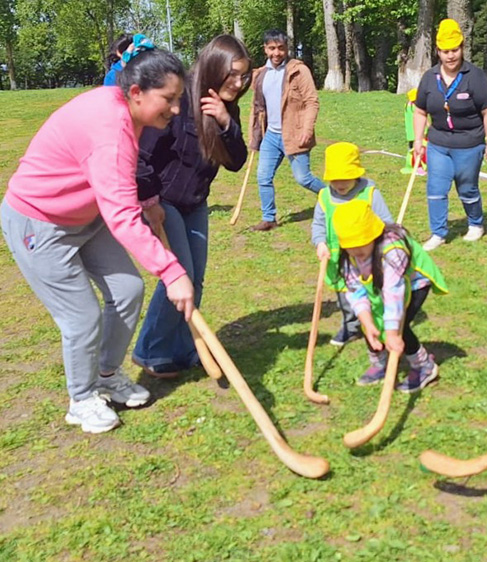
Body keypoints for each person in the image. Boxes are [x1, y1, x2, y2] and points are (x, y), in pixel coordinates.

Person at [1, 47, 194, 434]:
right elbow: (121, 215)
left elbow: (116, 179)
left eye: (178, 100)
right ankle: (82, 398)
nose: (175, 110)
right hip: (38, 223)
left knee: (127, 289)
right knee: (81, 316)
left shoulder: (125, 107)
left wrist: (146, 199)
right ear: (137, 91)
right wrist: (173, 272)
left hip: (86, 217)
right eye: (169, 99)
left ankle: (106, 373)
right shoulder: (110, 129)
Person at [131, 35, 251, 379]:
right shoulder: (178, 101)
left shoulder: (228, 108)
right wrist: (150, 202)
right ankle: (150, 350)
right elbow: (141, 155)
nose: (239, 83)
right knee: (178, 275)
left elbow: (236, 162)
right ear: (214, 67)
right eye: (233, 75)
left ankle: (184, 349)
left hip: (196, 203)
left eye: (244, 77)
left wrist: (227, 124)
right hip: (163, 201)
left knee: (194, 280)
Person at [330, 200, 448, 392]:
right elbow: (355, 290)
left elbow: (394, 293)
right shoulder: (347, 256)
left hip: (413, 283)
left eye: (362, 244)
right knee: (372, 324)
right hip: (379, 283)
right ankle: (379, 364)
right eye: (352, 246)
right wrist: (367, 323)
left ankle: (424, 366)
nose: (357, 251)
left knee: (401, 325)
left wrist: (393, 333)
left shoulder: (393, 250)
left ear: (374, 236)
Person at [412, 18, 487, 251]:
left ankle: (476, 223)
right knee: (436, 188)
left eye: (455, 50)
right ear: (438, 51)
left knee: (467, 187)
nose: (450, 56)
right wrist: (418, 140)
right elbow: (420, 111)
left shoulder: (475, 76)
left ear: (462, 49)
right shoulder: (430, 77)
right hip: (438, 142)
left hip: (469, 143)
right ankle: (438, 233)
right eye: (445, 51)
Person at [312, 142, 395, 346]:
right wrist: (320, 242)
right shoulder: (325, 197)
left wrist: (386, 247)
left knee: (375, 292)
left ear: (356, 174)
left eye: (345, 179)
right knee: (347, 295)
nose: (340, 184)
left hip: (368, 255)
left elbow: (386, 223)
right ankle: (350, 327)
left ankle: (382, 325)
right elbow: (319, 224)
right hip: (338, 257)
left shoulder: (368, 193)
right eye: (335, 180)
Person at [249, 30, 325, 232]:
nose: (276, 53)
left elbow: (312, 101)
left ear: (287, 49)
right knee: (263, 177)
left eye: (281, 48)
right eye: (272, 48)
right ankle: (269, 218)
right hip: (271, 136)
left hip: (294, 133)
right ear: (265, 49)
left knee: (303, 178)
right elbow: (256, 105)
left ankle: (334, 196)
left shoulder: (298, 70)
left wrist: (307, 129)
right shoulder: (260, 74)